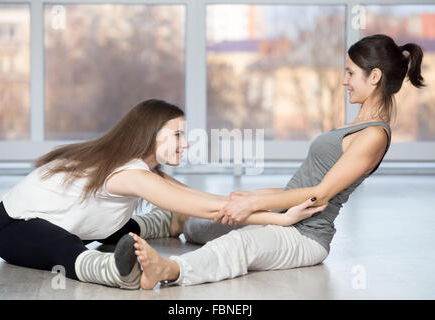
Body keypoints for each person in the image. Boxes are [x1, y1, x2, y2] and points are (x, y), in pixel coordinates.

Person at [129, 34, 425, 290]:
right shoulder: (357, 125)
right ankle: (173, 222)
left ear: (374, 77)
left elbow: (319, 194)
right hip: (285, 209)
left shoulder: (374, 135)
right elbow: (304, 181)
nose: (344, 80)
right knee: (213, 221)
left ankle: (169, 270)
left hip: (305, 235)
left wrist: (256, 205)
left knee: (240, 243)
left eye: (350, 73)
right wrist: (257, 197)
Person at [0, 99, 322, 290]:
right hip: (13, 226)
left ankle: (162, 222)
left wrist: (280, 215)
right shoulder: (130, 174)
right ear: (150, 135)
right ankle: (116, 271)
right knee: (60, 246)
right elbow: (211, 209)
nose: (186, 143)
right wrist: (283, 215)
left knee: (120, 225)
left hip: (74, 221)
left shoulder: (144, 170)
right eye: (177, 134)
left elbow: (205, 201)